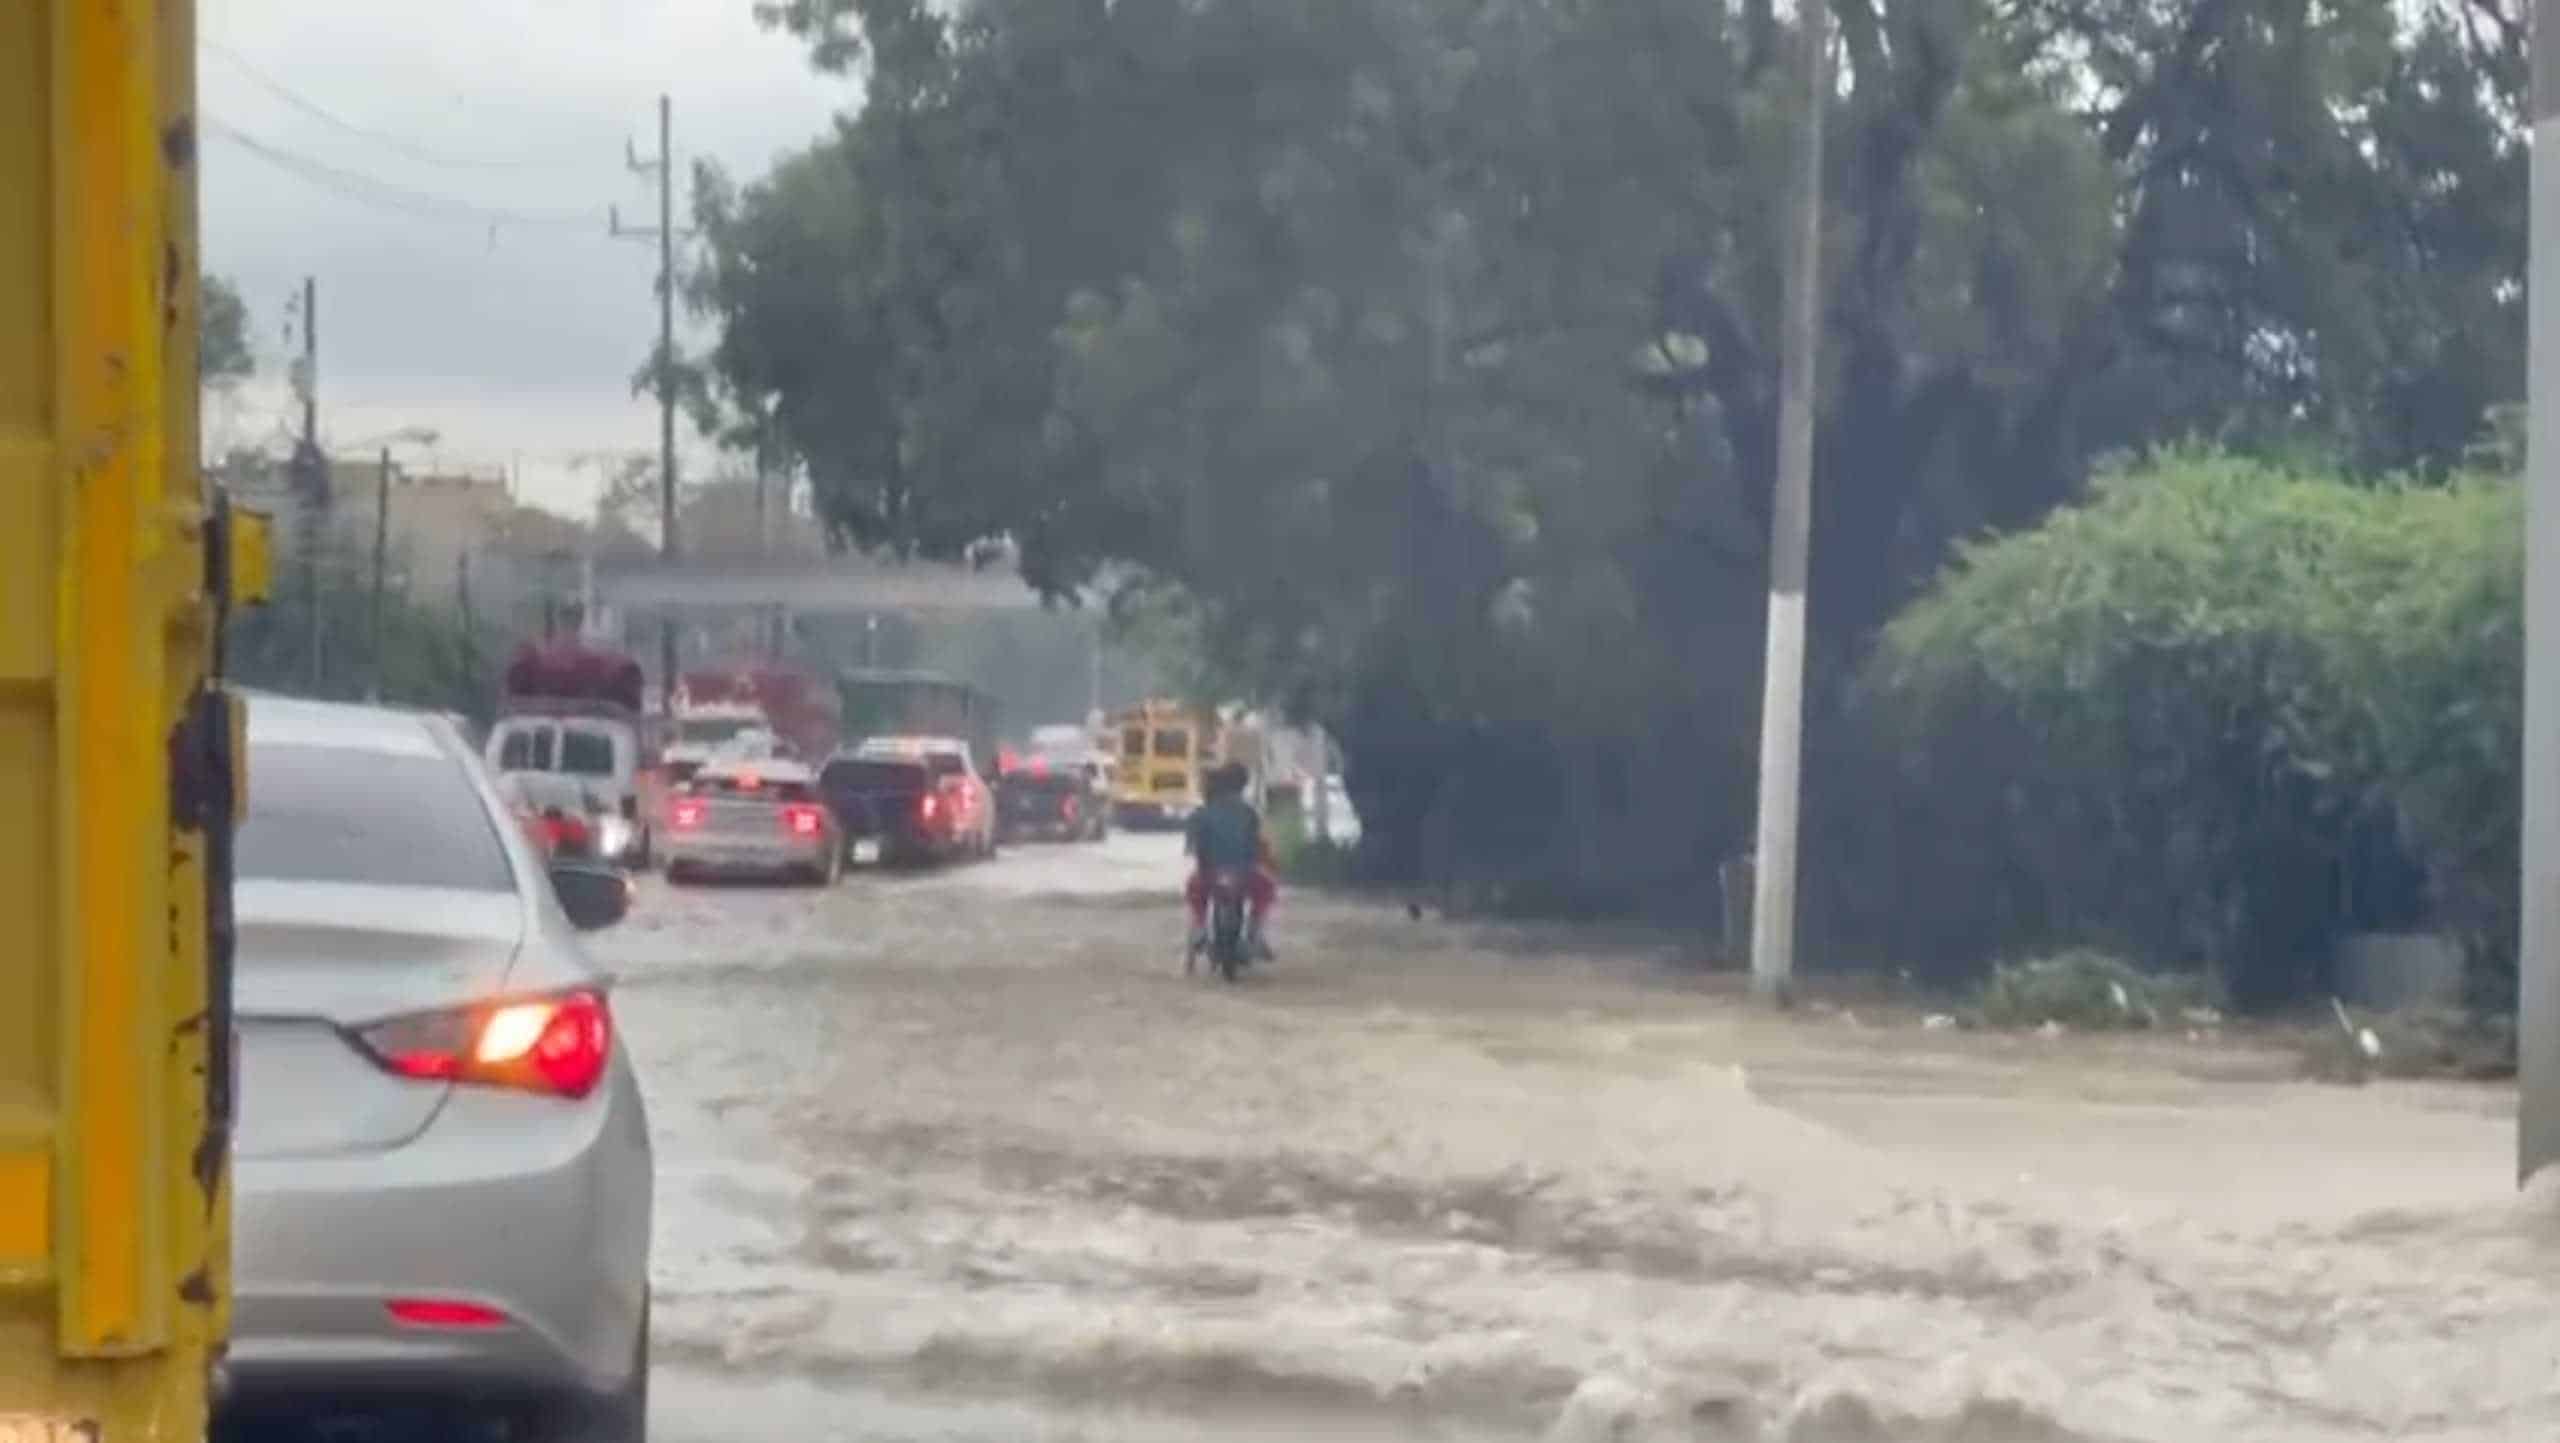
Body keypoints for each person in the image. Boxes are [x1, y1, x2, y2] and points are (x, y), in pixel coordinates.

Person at [1185, 760, 1277, 960]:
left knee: (1195, 891)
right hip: (1246, 874)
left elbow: (1193, 847)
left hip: (1209, 874)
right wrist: (1270, 862)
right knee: (1267, 888)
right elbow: (1259, 845)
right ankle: (1255, 929)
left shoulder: (1200, 814)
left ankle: (1200, 927)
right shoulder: (1249, 813)